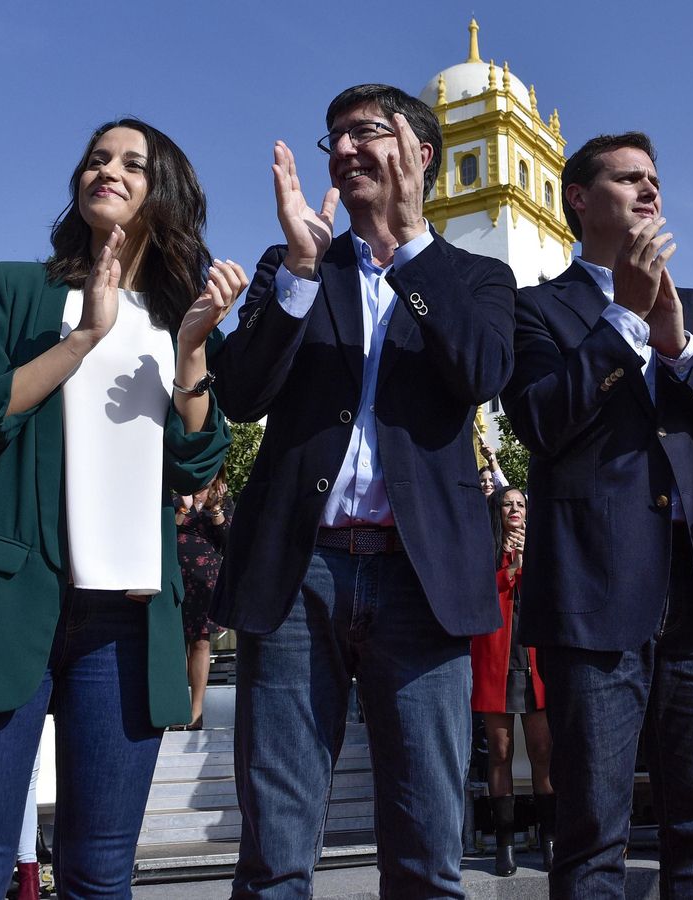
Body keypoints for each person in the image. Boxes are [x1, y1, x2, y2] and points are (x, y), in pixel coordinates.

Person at [0, 118, 238, 896]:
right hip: (0, 603)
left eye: (131, 163)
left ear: (166, 192)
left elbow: (198, 464)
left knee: (101, 873)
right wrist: (81, 339)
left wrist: (190, 355)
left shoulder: (180, 317)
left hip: (127, 624)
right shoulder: (14, 288)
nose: (106, 170)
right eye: (95, 158)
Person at [210, 84, 515, 898]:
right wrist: (304, 271)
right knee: (275, 851)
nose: (343, 149)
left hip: (423, 580)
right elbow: (240, 394)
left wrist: (411, 245)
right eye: (333, 138)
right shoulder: (296, 265)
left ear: (419, 153)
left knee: (425, 851)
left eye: (364, 132)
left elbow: (482, 372)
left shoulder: (479, 278)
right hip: (300, 572)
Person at [502, 130, 693, 898]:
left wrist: (679, 345)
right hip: (593, 602)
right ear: (579, 200)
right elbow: (542, 425)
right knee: (590, 838)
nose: (651, 191)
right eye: (629, 180)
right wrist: (622, 321)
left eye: (655, 179)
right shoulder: (534, 310)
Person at [470, 487, 554, 877]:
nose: (516, 509)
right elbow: (479, 597)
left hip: (534, 661)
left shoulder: (541, 549)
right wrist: (510, 568)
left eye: (522, 503)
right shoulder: (484, 549)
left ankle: (549, 840)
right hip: (496, 663)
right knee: (500, 753)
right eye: (508, 503)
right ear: (497, 510)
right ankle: (505, 843)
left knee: (543, 751)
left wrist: (527, 562)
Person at [174, 467, 230, 730]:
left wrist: (217, 510)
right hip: (172, 578)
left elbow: (229, 543)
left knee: (200, 642)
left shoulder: (221, 500)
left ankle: (196, 713)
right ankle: (174, 708)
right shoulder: (174, 495)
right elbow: (161, 531)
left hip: (204, 579)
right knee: (173, 643)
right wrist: (184, 508)